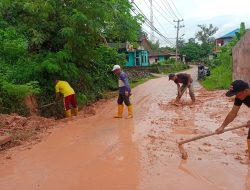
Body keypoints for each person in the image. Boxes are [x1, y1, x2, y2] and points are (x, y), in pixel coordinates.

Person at [216, 80, 250, 160]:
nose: (236, 96)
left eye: (237, 94)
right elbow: (233, 112)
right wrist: (222, 126)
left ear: (246, 91)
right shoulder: (240, 97)